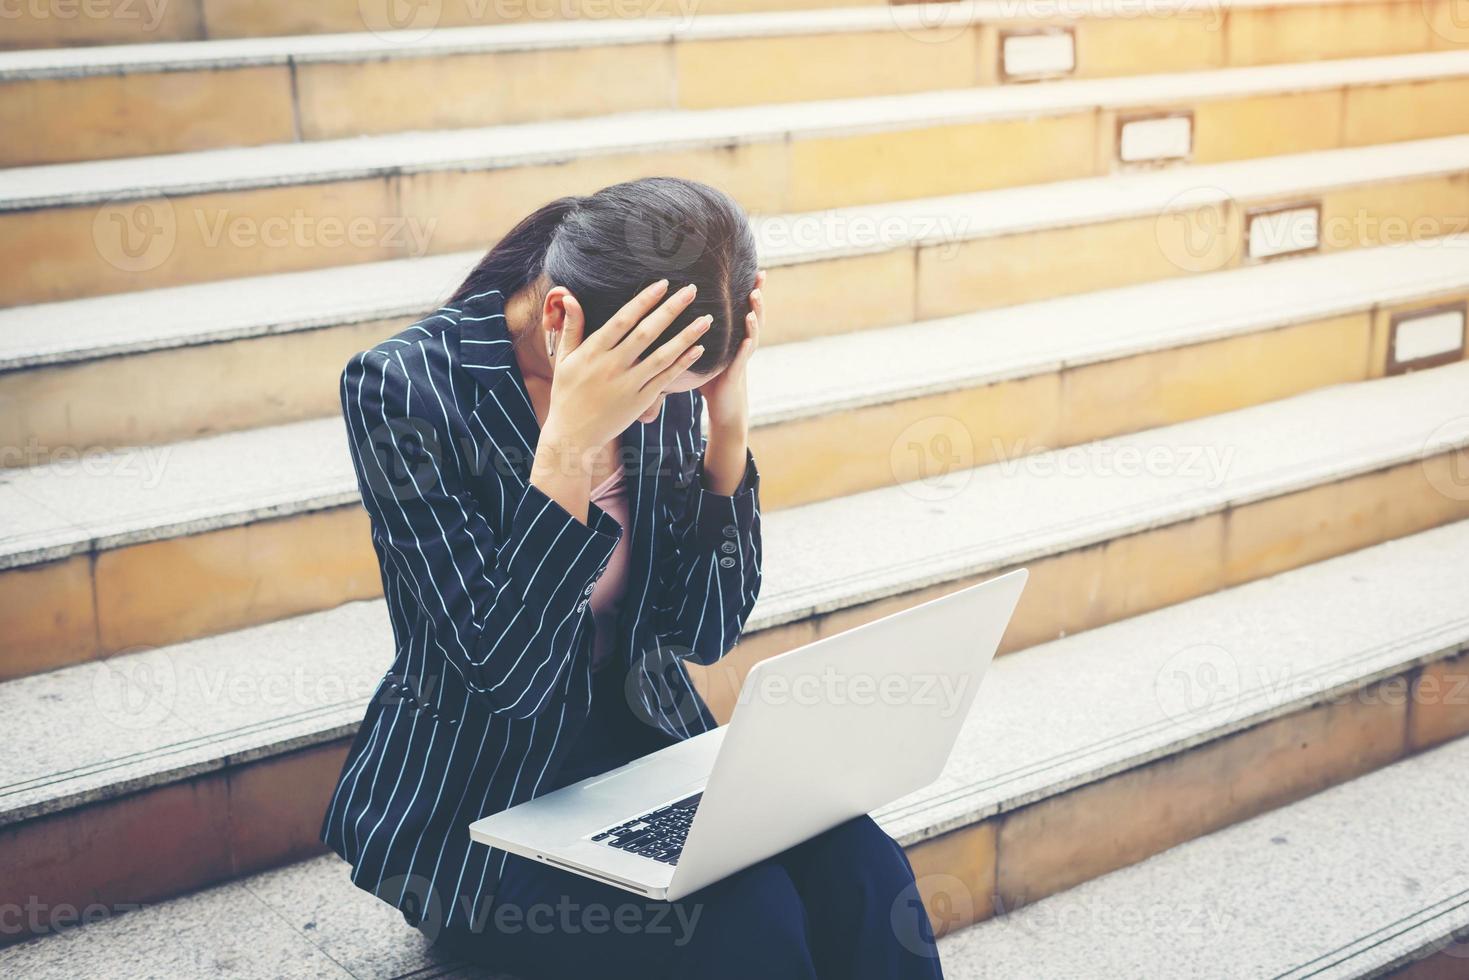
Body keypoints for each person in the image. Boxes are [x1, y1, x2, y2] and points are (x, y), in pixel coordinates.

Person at [321, 176, 945, 978]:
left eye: (676, 392)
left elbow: (702, 633)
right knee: (748, 922)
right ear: (559, 320)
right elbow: (504, 677)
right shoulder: (402, 388)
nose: (656, 417)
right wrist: (567, 453)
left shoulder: (664, 381)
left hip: (643, 748)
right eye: (652, 390)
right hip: (481, 798)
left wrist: (726, 432)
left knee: (865, 873)